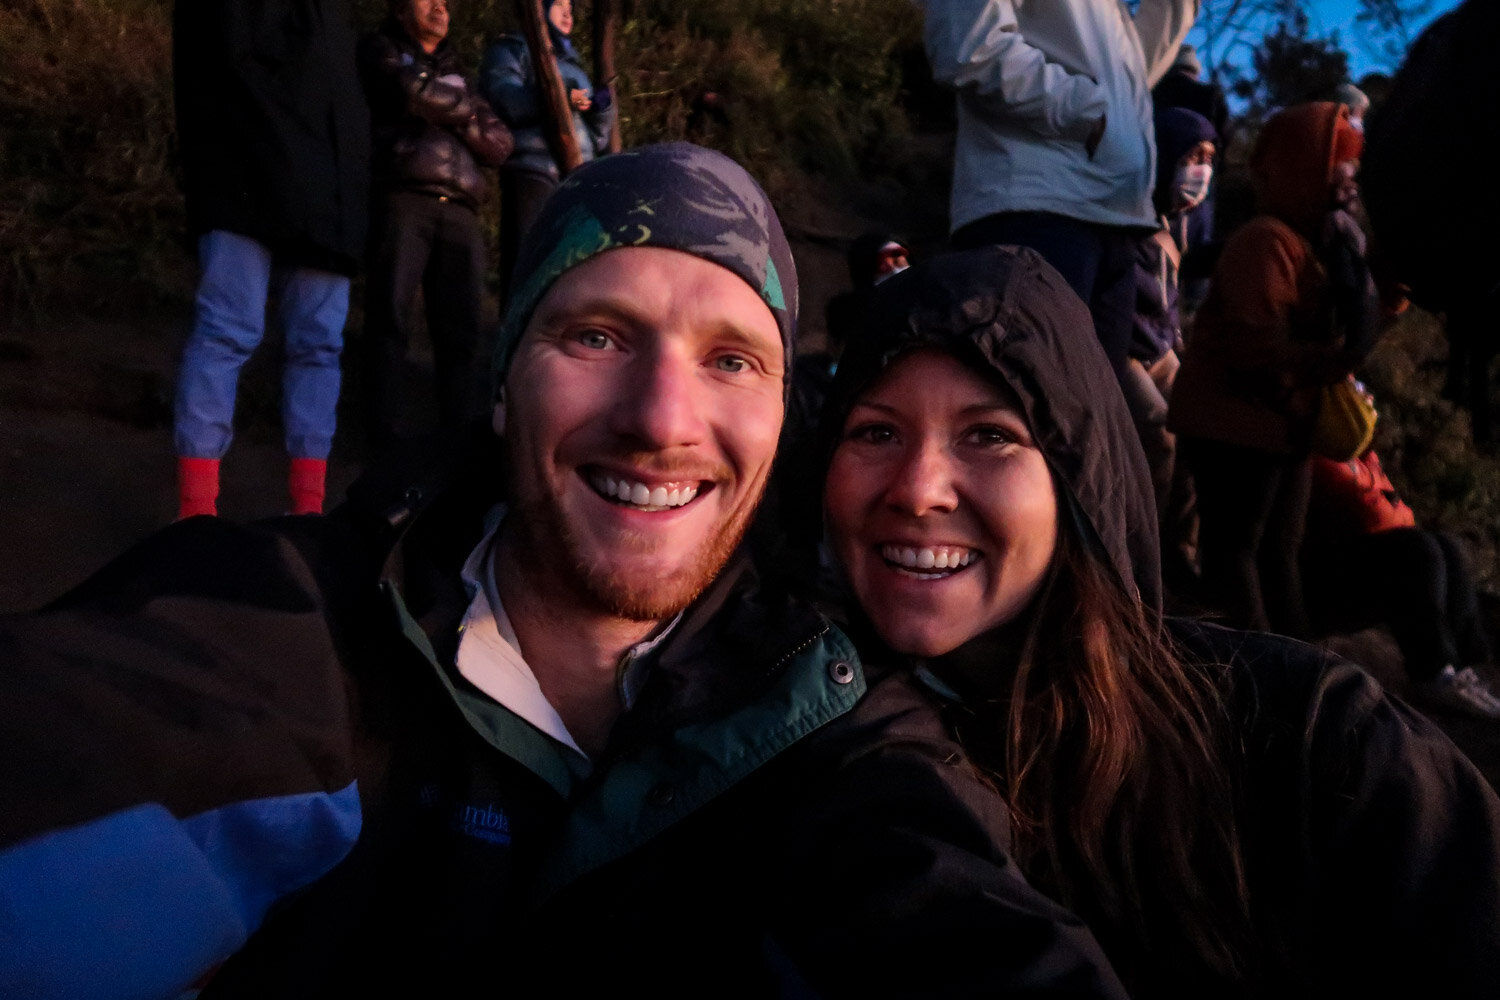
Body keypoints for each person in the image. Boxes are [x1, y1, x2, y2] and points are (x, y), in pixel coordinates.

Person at [1, 145, 1128, 999]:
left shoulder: (829, 724)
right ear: (502, 387)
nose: (660, 420)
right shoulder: (293, 628)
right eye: (596, 336)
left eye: (732, 360)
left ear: (785, 426)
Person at [817, 244, 1500, 997]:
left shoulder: (1309, 740)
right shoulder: (782, 744)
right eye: (876, 431)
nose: (918, 490)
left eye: (990, 435)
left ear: (1078, 478)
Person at [1169, 102, 1381, 637]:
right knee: (1238, 549)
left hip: (1281, 424)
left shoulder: (1324, 248)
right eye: (1341, 168)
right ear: (1304, 168)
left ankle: (1299, 668)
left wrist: (1382, 298)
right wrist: (1336, 364)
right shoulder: (1265, 242)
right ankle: (1253, 673)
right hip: (1232, 425)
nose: (1350, 183)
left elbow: (1342, 336)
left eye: (1354, 171)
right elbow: (1256, 351)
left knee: (1277, 550)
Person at [920, 0, 1197, 377]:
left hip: (1113, 220)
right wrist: (1085, 110)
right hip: (1035, 212)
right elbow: (969, 48)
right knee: (1025, 406)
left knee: (1090, 422)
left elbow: (1123, 85)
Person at [171, 0, 369, 518]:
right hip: (246, 178)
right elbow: (223, 64)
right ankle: (196, 513)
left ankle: (307, 509)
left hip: (328, 194)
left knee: (319, 345)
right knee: (228, 331)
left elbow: (346, 99)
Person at [358, 0, 514, 453]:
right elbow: (407, 91)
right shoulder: (380, 48)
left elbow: (501, 143)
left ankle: (457, 448)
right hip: (404, 194)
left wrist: (444, 104)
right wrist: (465, 112)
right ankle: (381, 445)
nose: (440, 7)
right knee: (390, 317)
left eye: (445, 2)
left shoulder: (457, 70)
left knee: (462, 333)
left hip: (461, 210)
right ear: (402, 8)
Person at [1305, 442, 1500, 719]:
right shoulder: (1318, 446)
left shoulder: (1359, 455)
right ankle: (1432, 672)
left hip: (1355, 559)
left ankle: (1468, 666)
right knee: (1417, 550)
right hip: (1320, 584)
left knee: (1447, 546)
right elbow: (1368, 512)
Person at [1124, 107, 1217, 593]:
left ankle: (1183, 551)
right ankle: (1142, 551)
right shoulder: (1125, 209)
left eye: (1208, 159)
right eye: (1192, 156)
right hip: (1124, 350)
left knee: (1205, 424)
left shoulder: (1182, 220)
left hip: (1162, 347)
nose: (1200, 169)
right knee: (1160, 432)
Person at [481, 0, 615, 299]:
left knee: (569, 273)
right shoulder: (513, 49)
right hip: (532, 171)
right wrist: (557, 95)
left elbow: (599, 137)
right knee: (528, 268)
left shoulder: (574, 67)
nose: (569, 13)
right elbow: (503, 99)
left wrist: (601, 108)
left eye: (571, 6)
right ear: (540, 8)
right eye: (561, 5)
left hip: (576, 178)